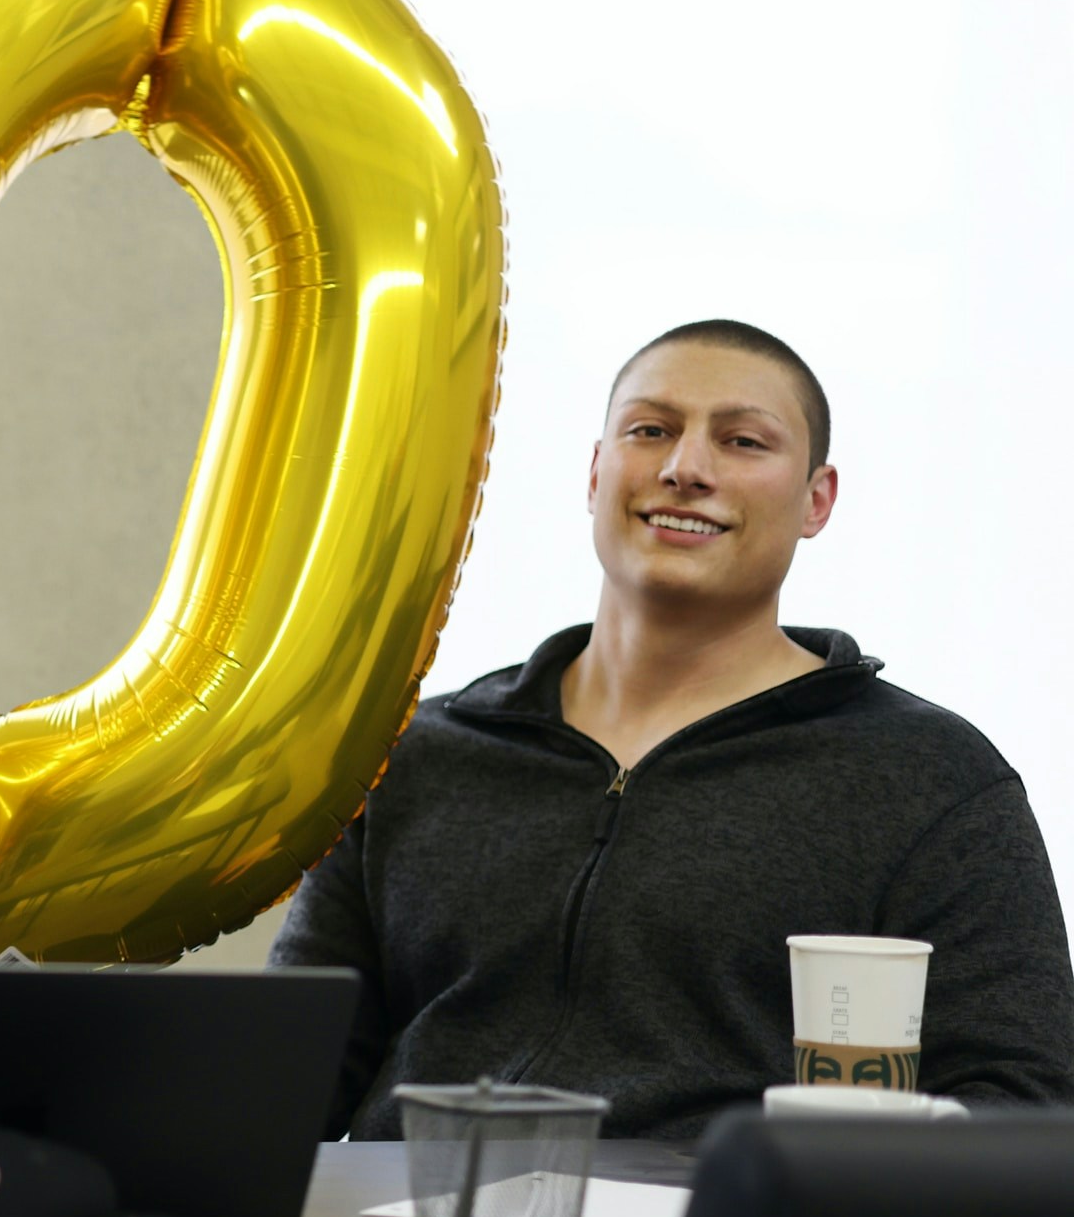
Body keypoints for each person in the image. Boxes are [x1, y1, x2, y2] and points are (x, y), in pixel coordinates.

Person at [273, 319, 1074, 1140]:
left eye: (743, 441)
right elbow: (279, 1079)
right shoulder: (416, 754)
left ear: (816, 500)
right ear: (594, 472)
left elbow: (1024, 1103)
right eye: (650, 430)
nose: (685, 467)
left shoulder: (932, 778)